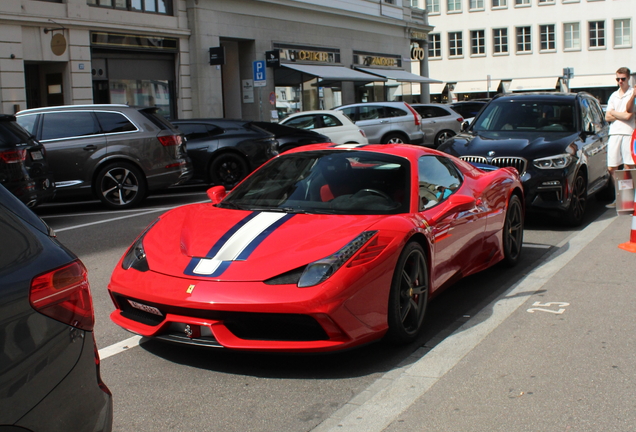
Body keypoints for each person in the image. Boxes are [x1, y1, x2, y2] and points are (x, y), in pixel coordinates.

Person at [605, 67, 636, 208]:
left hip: (629, 132)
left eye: (623, 78)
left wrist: (615, 113)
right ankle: (620, 195)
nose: (620, 81)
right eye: (618, 79)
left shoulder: (632, 94)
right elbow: (607, 116)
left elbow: (629, 115)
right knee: (612, 167)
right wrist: (620, 114)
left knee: (629, 166)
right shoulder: (613, 95)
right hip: (614, 133)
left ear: (628, 78)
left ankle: (629, 198)